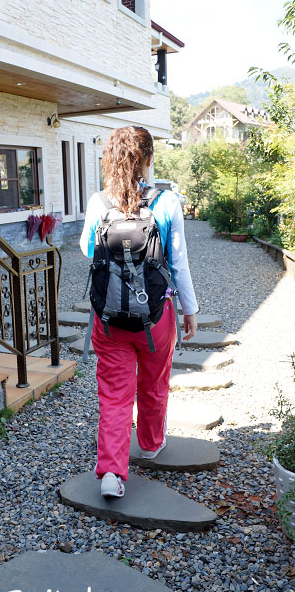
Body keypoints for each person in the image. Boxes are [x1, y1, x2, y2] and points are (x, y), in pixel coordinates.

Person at [79, 126, 198, 498]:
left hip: (109, 319)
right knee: (154, 381)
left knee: (114, 394)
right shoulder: (166, 202)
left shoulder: (99, 201)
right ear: (148, 160)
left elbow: (87, 249)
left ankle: (112, 474)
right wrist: (189, 309)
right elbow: (178, 263)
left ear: (109, 160)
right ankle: (149, 443)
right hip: (156, 318)